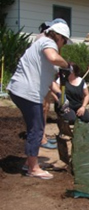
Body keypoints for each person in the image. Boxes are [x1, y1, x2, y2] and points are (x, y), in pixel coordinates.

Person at [7, 22, 72, 180]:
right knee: (36, 129)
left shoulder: (40, 45)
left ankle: (29, 163)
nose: (64, 44)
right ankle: (33, 169)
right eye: (65, 41)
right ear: (60, 37)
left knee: (34, 128)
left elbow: (50, 82)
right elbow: (53, 57)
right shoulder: (48, 42)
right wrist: (67, 65)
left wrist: (62, 99)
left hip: (21, 90)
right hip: (28, 92)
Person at [36, 18, 69, 149]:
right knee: (42, 108)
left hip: (47, 79)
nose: (64, 43)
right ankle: (41, 139)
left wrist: (59, 95)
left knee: (46, 107)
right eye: (64, 40)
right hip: (39, 81)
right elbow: (51, 61)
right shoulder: (44, 40)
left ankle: (42, 136)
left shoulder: (52, 42)